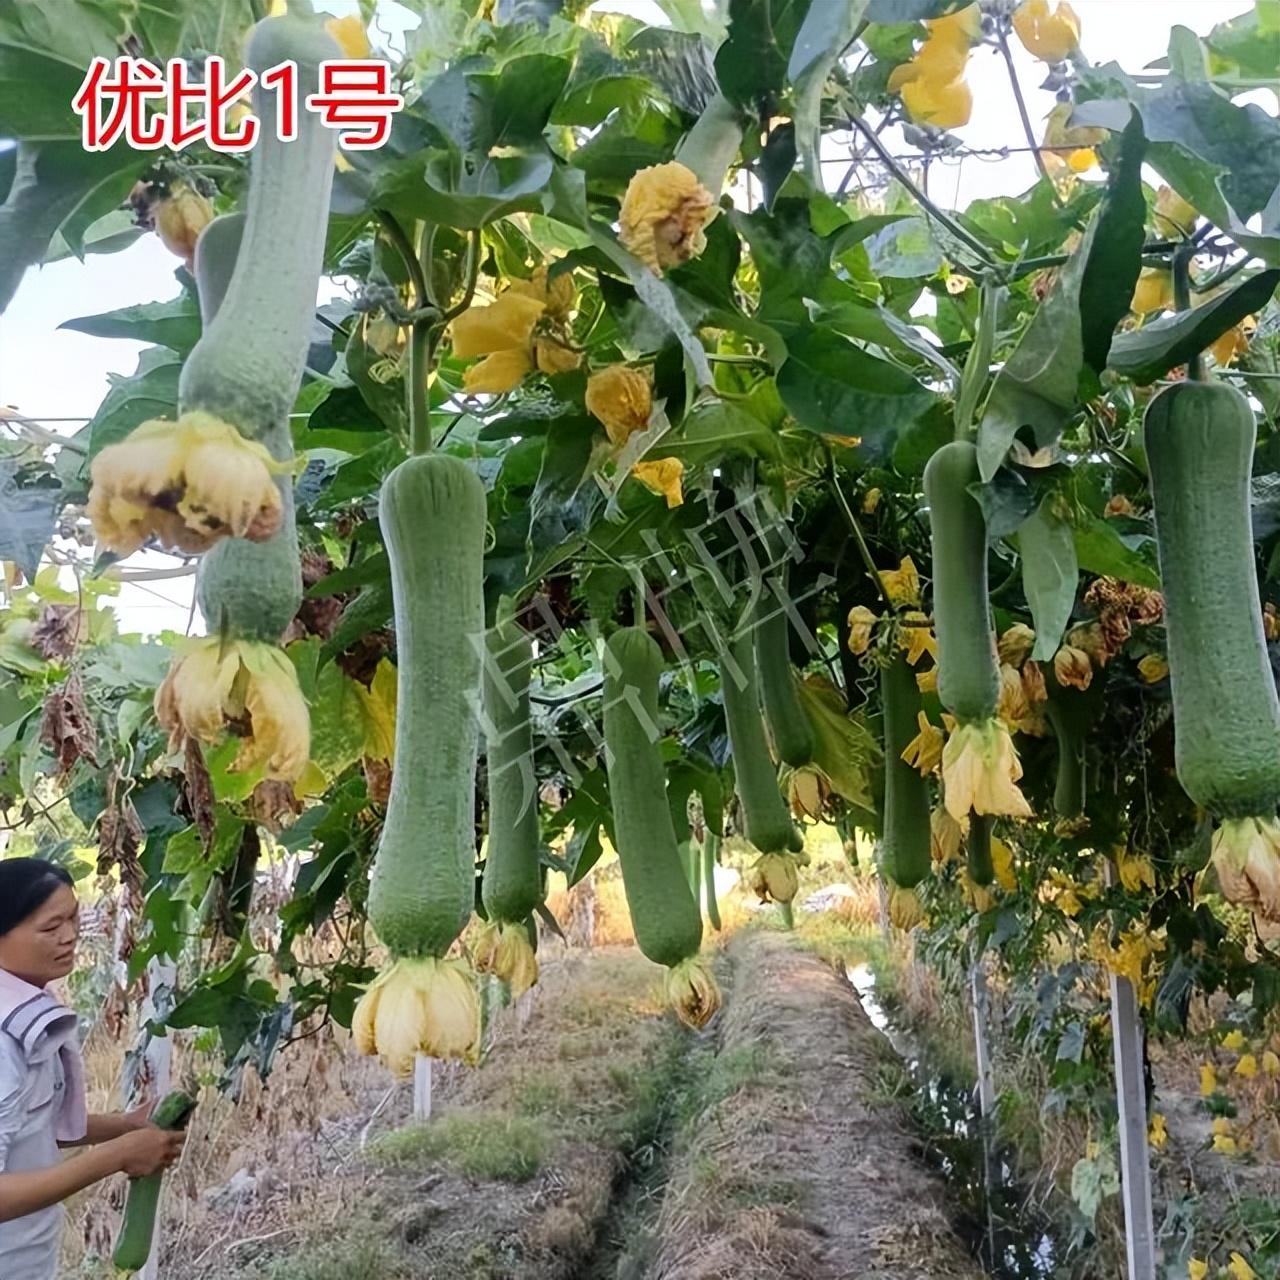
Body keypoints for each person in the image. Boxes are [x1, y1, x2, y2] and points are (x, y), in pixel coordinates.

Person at [0, 858, 186, 1279]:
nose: (69, 936)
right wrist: (115, 1156)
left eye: (72, 918)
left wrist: (124, 1126)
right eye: (50, 927)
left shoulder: (24, 1012)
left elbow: (30, 1123)